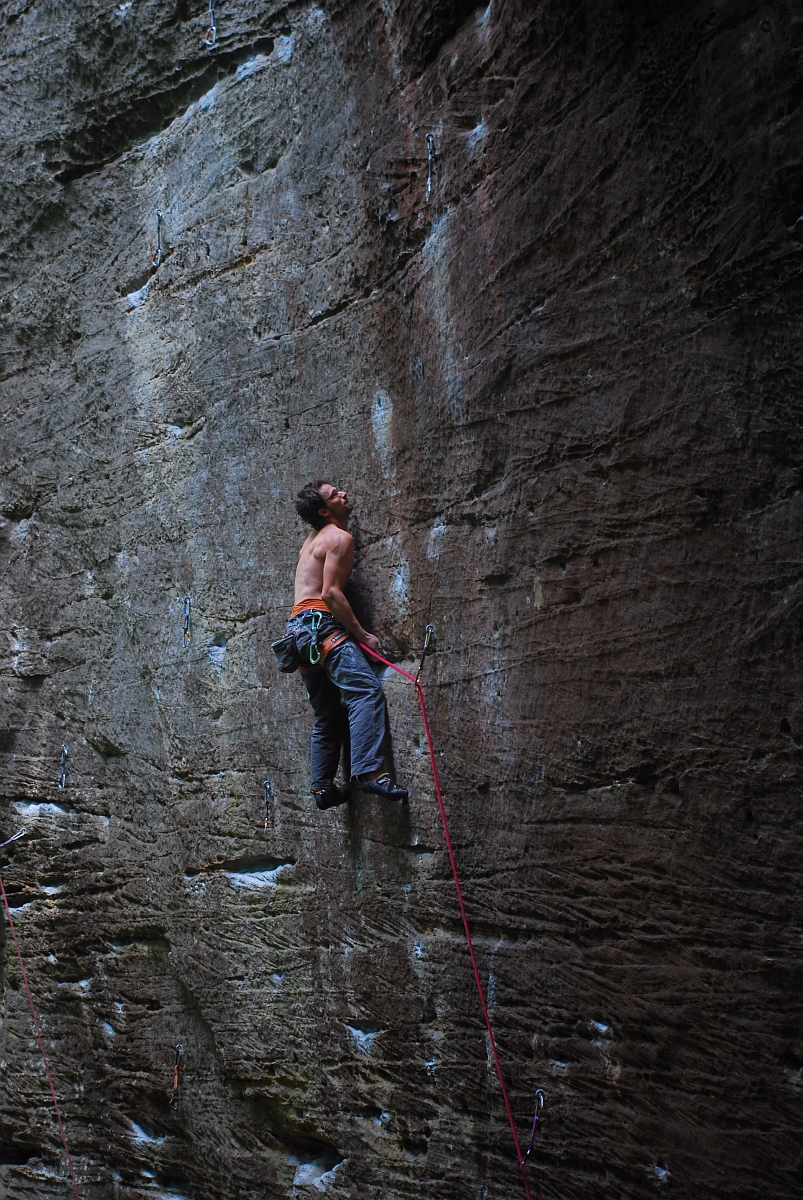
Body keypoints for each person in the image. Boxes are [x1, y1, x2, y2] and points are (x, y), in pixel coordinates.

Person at [286, 480, 408, 810]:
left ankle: (323, 787)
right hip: (321, 626)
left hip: (297, 633)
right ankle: (368, 773)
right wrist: (362, 635)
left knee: (328, 714)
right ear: (325, 511)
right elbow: (330, 593)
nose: (344, 493)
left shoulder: (310, 541)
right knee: (365, 692)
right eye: (334, 495)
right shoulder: (340, 538)